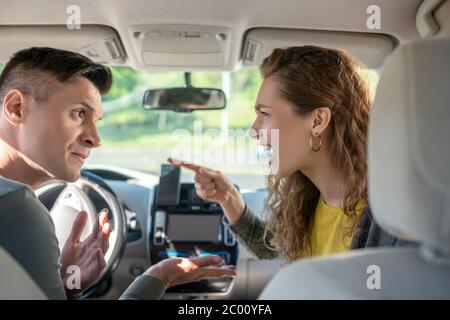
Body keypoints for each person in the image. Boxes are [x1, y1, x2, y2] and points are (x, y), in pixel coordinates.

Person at [0, 47, 235, 300]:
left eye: (96, 121)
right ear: (16, 108)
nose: (95, 139)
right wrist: (158, 278)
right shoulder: (16, 209)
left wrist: (67, 285)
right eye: (79, 113)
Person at [169, 45, 413, 264]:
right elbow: (271, 248)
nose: (253, 131)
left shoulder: (388, 223)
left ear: (317, 121)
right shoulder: (308, 195)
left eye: (265, 114)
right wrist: (228, 197)